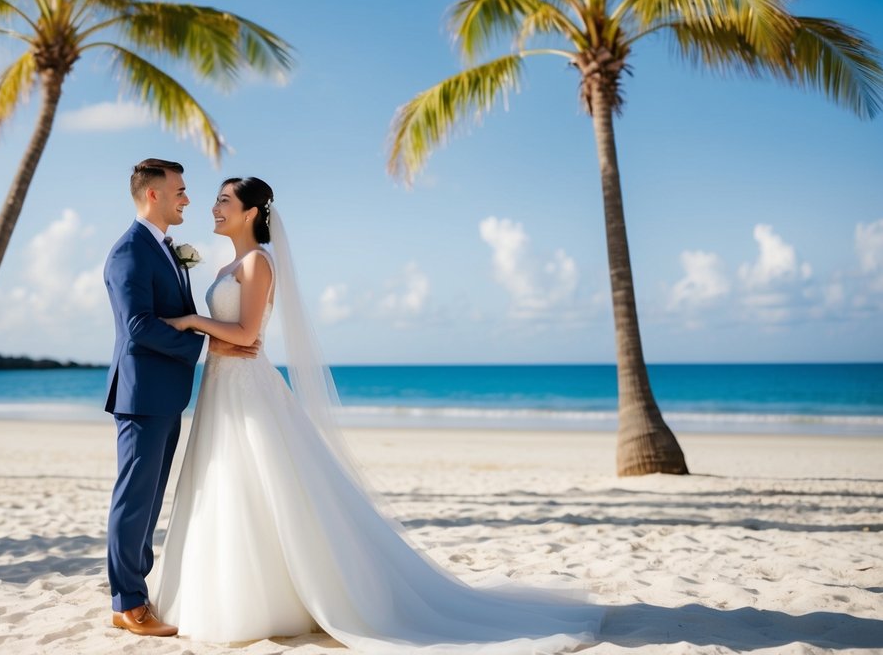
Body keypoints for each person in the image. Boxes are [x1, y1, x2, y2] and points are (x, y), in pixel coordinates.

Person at [151, 176, 605, 652]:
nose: (214, 208)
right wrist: (212, 334)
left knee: (263, 484)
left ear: (249, 213)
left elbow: (247, 334)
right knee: (228, 484)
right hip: (224, 387)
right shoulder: (230, 264)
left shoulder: (259, 262)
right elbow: (237, 338)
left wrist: (192, 322)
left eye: (225, 201)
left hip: (246, 388)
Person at [102, 159, 258, 637]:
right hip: (142, 393)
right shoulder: (130, 251)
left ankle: (137, 594)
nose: (188, 199)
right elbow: (138, 326)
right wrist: (199, 344)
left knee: (149, 501)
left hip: (165, 394)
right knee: (134, 499)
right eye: (180, 191)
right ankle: (127, 602)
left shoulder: (164, 249)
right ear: (154, 195)